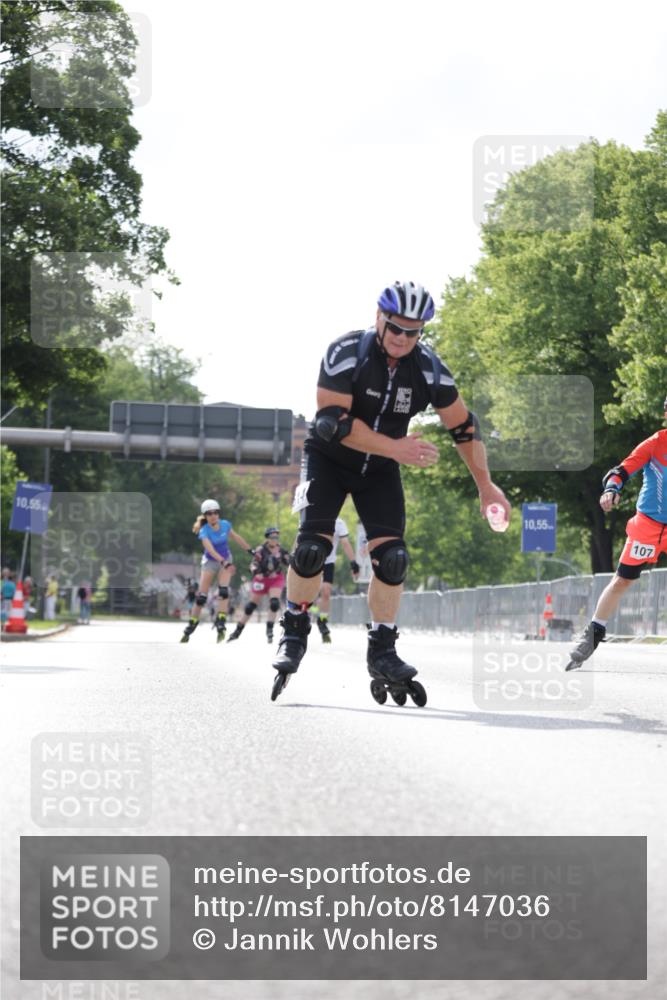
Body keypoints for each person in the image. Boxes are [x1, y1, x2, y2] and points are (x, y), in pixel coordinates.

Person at [270, 280, 511, 698]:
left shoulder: (429, 369)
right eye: (395, 327)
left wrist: (486, 487)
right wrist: (398, 447)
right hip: (329, 458)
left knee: (393, 559)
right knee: (311, 550)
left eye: (412, 332)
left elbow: (464, 427)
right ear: (378, 318)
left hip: (379, 470)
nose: (402, 338)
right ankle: (294, 627)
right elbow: (334, 424)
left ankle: (382, 648)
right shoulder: (345, 353)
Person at [565, 394, 667, 670]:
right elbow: (621, 471)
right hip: (647, 527)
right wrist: (612, 489)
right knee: (622, 581)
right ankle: (594, 633)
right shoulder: (655, 444)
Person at [180, 499, 253, 644]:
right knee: (201, 597)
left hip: (226, 558)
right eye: (209, 514)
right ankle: (192, 623)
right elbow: (210, 550)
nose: (213, 515)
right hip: (210, 562)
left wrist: (250, 550)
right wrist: (224, 563)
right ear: (205, 516)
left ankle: (221, 620)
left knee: (224, 591)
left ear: (218, 513)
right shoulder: (204, 531)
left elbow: (236, 537)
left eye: (215, 512)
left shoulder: (225, 525)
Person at [228, 527, 291, 644]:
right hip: (261, 579)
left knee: (274, 603)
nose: (275, 539)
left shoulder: (281, 551)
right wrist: (257, 572)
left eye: (277, 537)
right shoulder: (261, 550)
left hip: (275, 579)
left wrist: (293, 558)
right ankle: (238, 630)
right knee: (250, 606)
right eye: (272, 537)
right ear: (267, 538)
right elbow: (253, 564)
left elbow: (289, 563)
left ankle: (269, 629)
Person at [311, 516, 360, 643]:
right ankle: (305, 613)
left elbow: (345, 543)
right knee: (311, 593)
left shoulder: (339, 523)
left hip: (328, 562)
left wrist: (353, 563)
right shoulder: (314, 517)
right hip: (311, 560)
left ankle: (322, 621)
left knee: (326, 592)